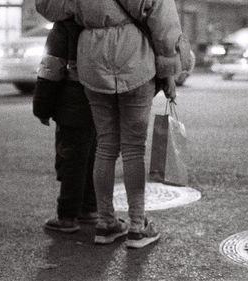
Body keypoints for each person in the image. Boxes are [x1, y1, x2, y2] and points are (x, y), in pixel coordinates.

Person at [35, 0, 193, 248]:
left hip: (92, 61)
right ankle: (137, 227)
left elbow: (47, 6)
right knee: (133, 149)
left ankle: (106, 223)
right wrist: (168, 73)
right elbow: (165, 25)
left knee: (105, 146)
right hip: (135, 59)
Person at [33, 20, 98, 233]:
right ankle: (89, 209)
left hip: (73, 100)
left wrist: (42, 108)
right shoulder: (110, 19)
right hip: (103, 100)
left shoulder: (66, 24)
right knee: (95, 157)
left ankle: (67, 217)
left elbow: (52, 67)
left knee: (71, 159)